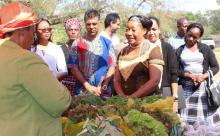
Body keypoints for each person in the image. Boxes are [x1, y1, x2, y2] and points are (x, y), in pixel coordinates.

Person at [0, 2, 71, 136]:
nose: (33, 38)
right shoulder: (25, 59)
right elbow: (60, 103)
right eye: (33, 32)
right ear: (22, 31)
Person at [176, 23, 219, 124]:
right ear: (186, 32)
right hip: (184, 88)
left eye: (195, 37)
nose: (191, 39)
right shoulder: (179, 50)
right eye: (189, 35)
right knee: (185, 119)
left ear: (199, 38)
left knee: (202, 120)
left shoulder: (205, 49)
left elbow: (215, 67)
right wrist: (188, 75)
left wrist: (204, 76)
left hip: (202, 88)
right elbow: (175, 70)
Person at [68, 9, 116, 96]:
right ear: (85, 24)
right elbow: (73, 68)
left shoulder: (107, 43)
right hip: (82, 91)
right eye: (88, 24)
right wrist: (87, 86)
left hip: (103, 91)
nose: (91, 27)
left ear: (99, 23)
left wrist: (104, 85)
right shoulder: (77, 43)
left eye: (94, 24)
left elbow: (112, 66)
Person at [114, 15, 164, 97]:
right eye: (127, 29)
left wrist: (132, 98)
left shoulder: (153, 50)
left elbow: (155, 81)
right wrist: (122, 97)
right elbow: (116, 80)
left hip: (148, 103)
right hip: (125, 102)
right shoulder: (122, 51)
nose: (129, 33)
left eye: (133, 30)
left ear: (144, 30)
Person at [146, 16, 182, 113]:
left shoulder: (167, 48)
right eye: (148, 29)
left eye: (154, 29)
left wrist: (175, 97)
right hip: (146, 94)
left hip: (166, 91)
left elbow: (174, 73)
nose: (151, 32)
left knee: (169, 123)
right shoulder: (141, 49)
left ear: (159, 30)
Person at [61, 17, 82, 95]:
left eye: (76, 30)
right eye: (70, 30)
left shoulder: (84, 48)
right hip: (64, 86)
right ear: (66, 31)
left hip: (80, 85)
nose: (73, 32)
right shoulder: (60, 49)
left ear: (79, 31)